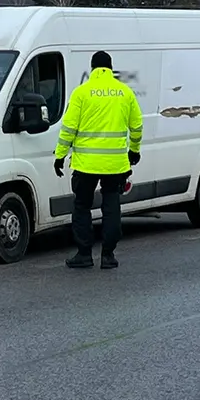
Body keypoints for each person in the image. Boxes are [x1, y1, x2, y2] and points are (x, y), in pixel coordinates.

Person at [54, 51, 143, 269]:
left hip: (86, 165)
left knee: (82, 206)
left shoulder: (81, 93)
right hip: (115, 164)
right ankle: (108, 255)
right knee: (111, 206)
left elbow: (68, 128)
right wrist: (134, 150)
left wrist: (60, 155)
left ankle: (84, 254)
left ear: (93, 68)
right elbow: (137, 126)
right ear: (110, 69)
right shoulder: (125, 93)